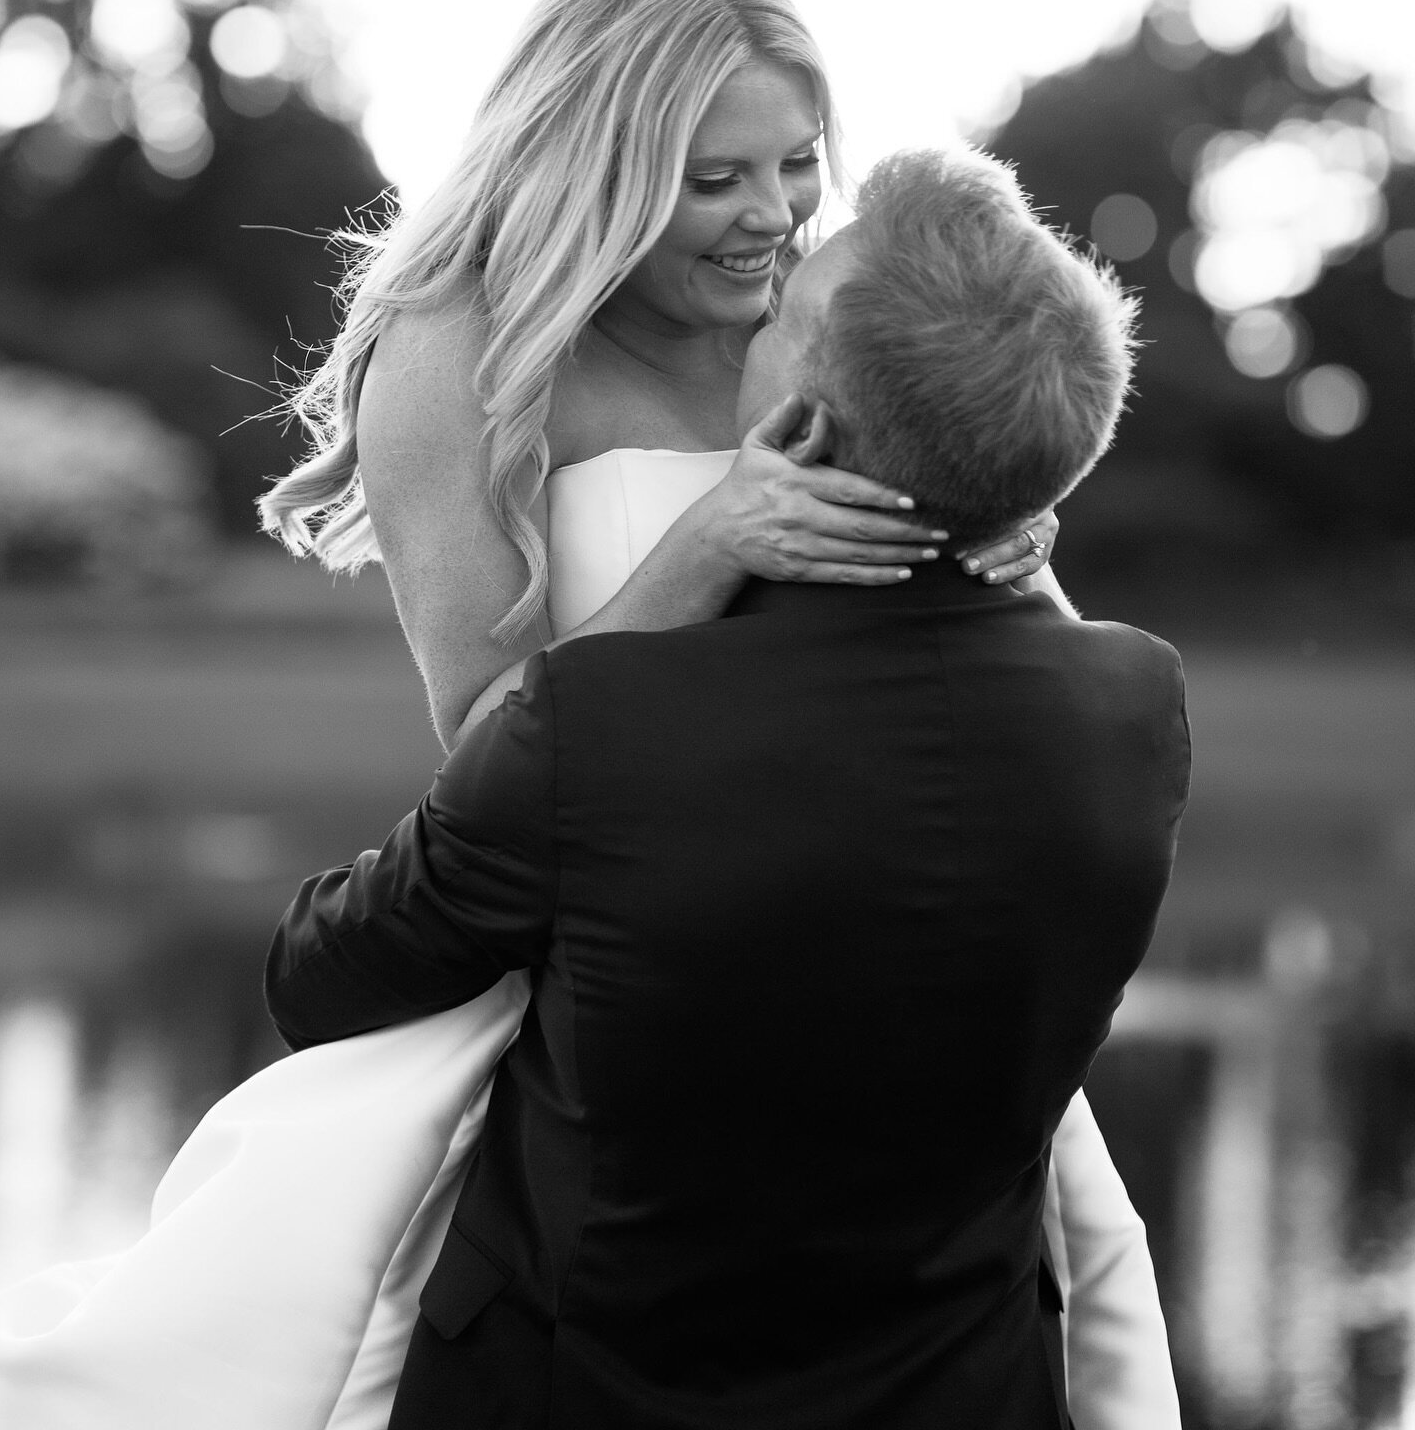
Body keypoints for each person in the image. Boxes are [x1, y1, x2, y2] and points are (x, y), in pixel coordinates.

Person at [0, 0, 1160, 1430]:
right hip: (601, 993)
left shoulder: (828, 318)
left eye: (795, 163)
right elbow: (491, 744)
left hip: (867, 981)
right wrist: (702, 549)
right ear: (595, 155)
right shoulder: (464, 351)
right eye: (713, 177)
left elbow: (951, 654)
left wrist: (1004, 518)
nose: (774, 216)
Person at [266, 144, 1191, 1428]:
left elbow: (323, 977)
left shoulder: (599, 723)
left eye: (799, 301)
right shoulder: (1136, 707)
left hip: (591, 1387)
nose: (778, 259)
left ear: (800, 428)